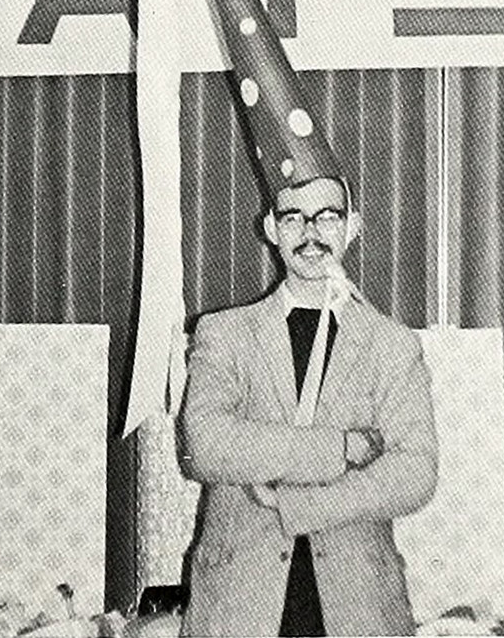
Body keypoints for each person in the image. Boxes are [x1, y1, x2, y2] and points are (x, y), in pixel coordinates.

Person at [178, 175, 438, 637]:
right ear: (271, 228)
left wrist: (301, 505)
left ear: (352, 227)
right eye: (293, 218)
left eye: (328, 217)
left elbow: (416, 473)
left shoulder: (391, 345)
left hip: (359, 610)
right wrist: (342, 448)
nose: (311, 233)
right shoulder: (224, 334)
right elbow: (205, 445)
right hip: (239, 609)